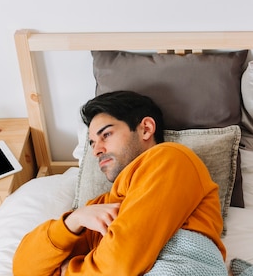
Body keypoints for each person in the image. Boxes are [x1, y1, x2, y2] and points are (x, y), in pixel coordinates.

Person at [13, 90, 227, 275]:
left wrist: (71, 270)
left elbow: (119, 266)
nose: (96, 150)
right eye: (92, 143)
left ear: (146, 128)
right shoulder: (101, 208)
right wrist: (72, 222)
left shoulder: (170, 159)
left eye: (106, 134)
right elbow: (24, 269)